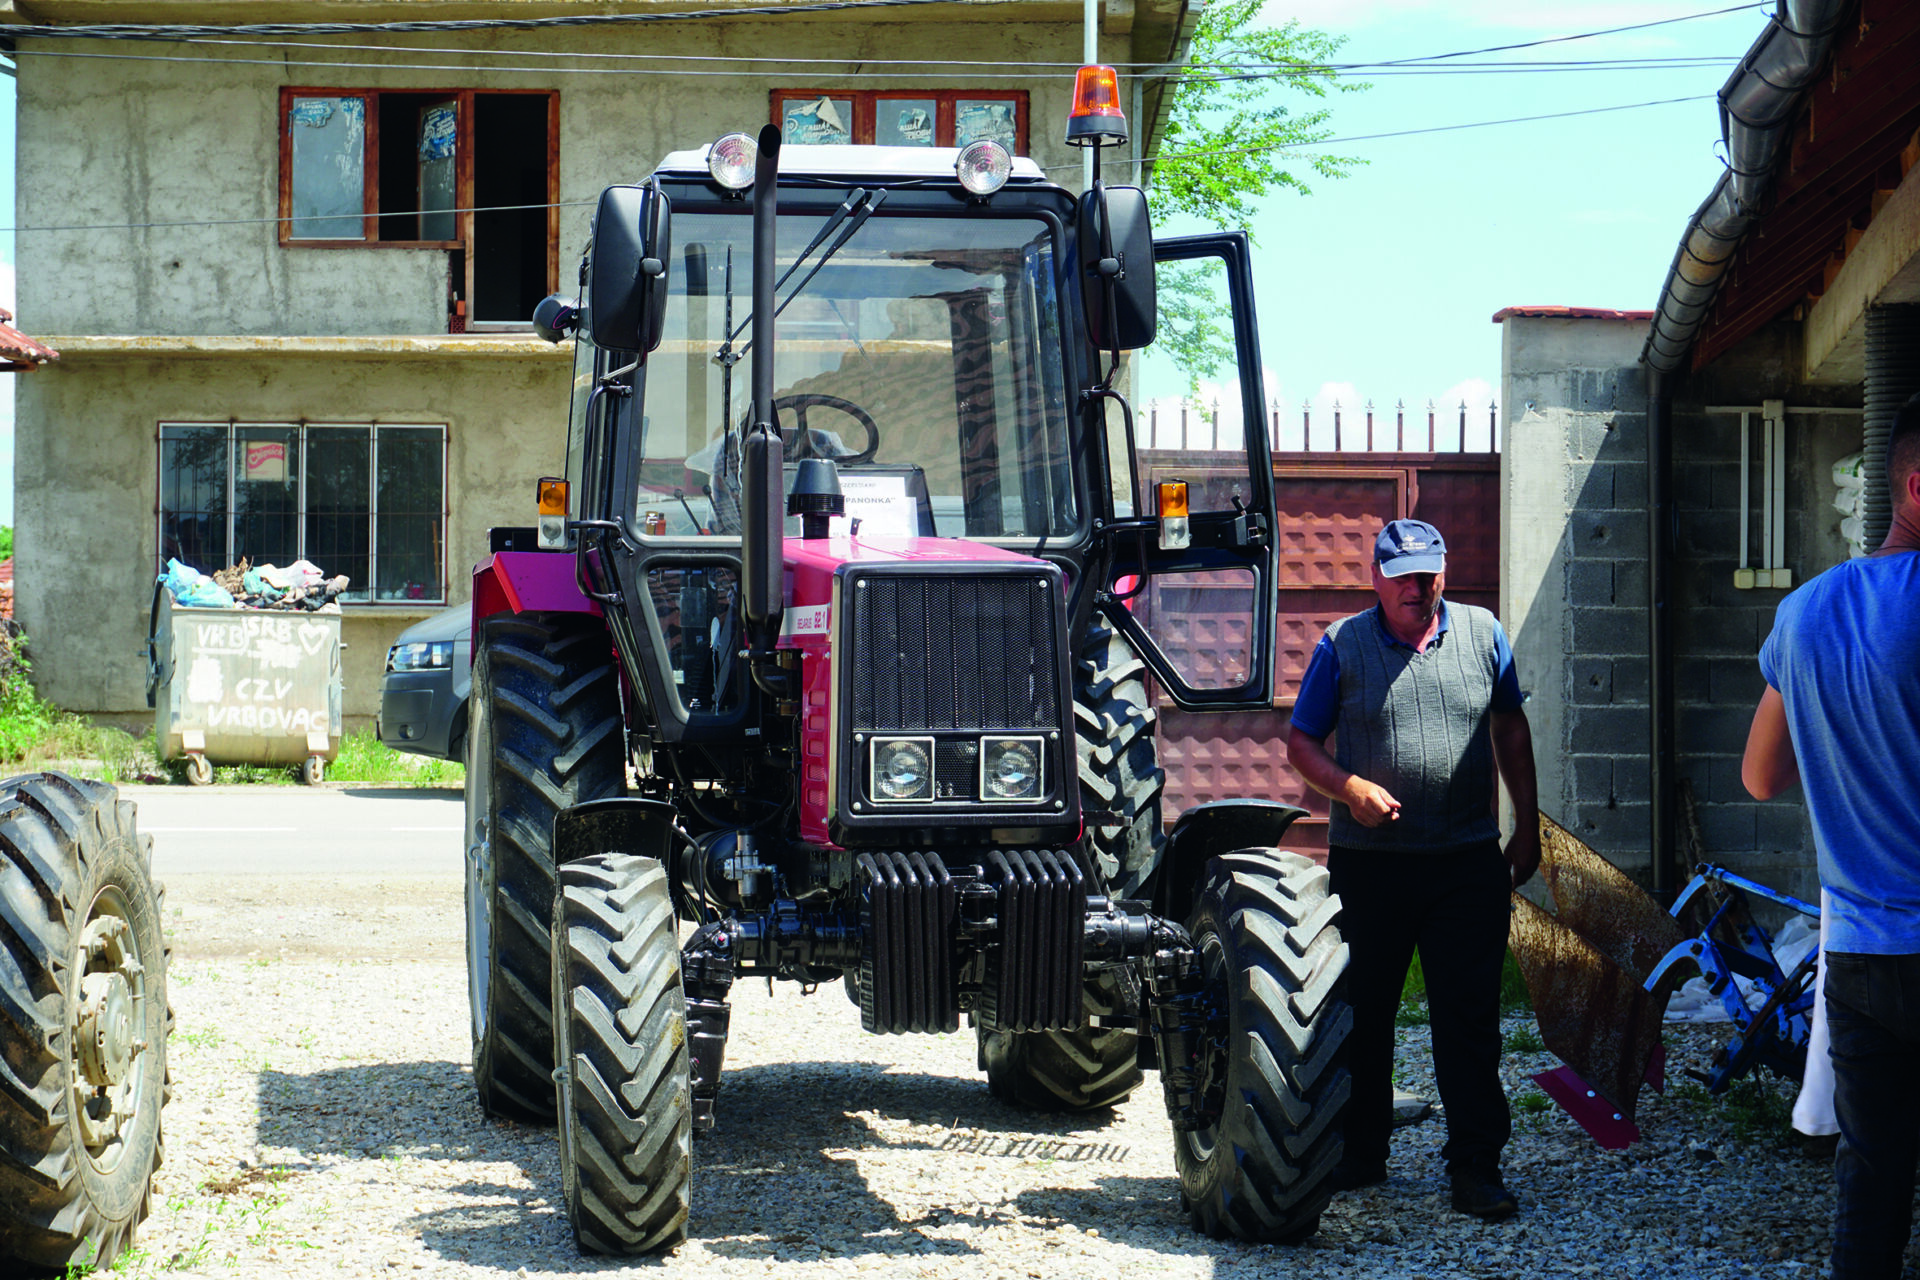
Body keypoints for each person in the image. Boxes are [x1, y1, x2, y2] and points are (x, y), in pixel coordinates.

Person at [1286, 517, 1540, 1221]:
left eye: (1427, 573)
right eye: (1401, 575)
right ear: (1376, 578)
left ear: (1444, 574)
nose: (1416, 587)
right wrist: (1348, 789)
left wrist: (1526, 824)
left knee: (1470, 1021)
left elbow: (1510, 725)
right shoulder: (1343, 647)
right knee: (1363, 1017)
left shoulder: (1485, 635)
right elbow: (1301, 742)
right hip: (1372, 868)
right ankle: (1362, 1153)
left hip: (1465, 861)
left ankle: (1475, 1170)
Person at [1742, 391, 1920, 1280]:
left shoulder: (1805, 613)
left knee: (1873, 1184)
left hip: (1857, 957)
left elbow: (1759, 775)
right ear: (1919, 485)